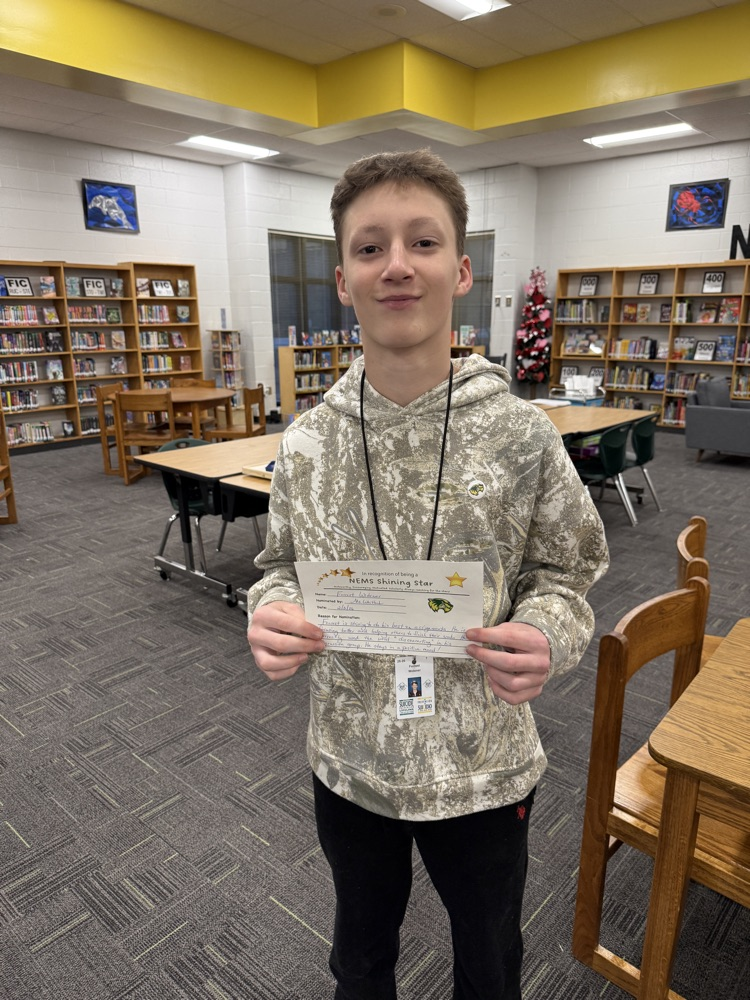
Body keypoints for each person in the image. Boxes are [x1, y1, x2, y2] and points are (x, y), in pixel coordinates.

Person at [246, 149, 609, 1000]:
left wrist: (547, 636)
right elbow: (275, 570)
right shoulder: (306, 445)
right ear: (343, 278)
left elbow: (567, 573)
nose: (397, 265)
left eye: (422, 242)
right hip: (351, 756)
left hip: (481, 763)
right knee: (360, 961)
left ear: (462, 269)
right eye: (370, 249)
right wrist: (272, 613)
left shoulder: (522, 435)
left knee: (489, 964)